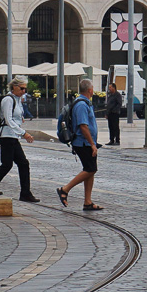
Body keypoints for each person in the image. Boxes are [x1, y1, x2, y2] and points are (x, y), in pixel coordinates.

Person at [0, 77, 39, 203]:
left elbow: (14, 117)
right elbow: (8, 120)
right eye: (22, 88)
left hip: (12, 136)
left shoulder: (17, 100)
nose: (24, 91)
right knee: (9, 164)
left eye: (25, 88)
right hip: (7, 136)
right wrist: (24, 133)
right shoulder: (8, 99)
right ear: (14, 87)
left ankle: (24, 193)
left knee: (20, 163)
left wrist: (20, 120)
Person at [58, 78, 102, 211]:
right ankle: (65, 189)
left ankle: (87, 202)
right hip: (83, 143)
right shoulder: (82, 104)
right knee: (90, 169)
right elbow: (83, 126)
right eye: (93, 88)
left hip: (86, 142)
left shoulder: (84, 103)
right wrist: (92, 144)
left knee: (90, 170)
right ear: (90, 90)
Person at [104, 82, 122, 146]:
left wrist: (115, 110)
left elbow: (119, 104)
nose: (109, 89)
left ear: (114, 88)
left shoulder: (117, 95)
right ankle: (111, 140)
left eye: (110, 87)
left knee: (115, 127)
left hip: (115, 113)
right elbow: (108, 105)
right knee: (110, 127)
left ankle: (117, 140)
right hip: (110, 113)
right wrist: (107, 113)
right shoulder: (110, 95)